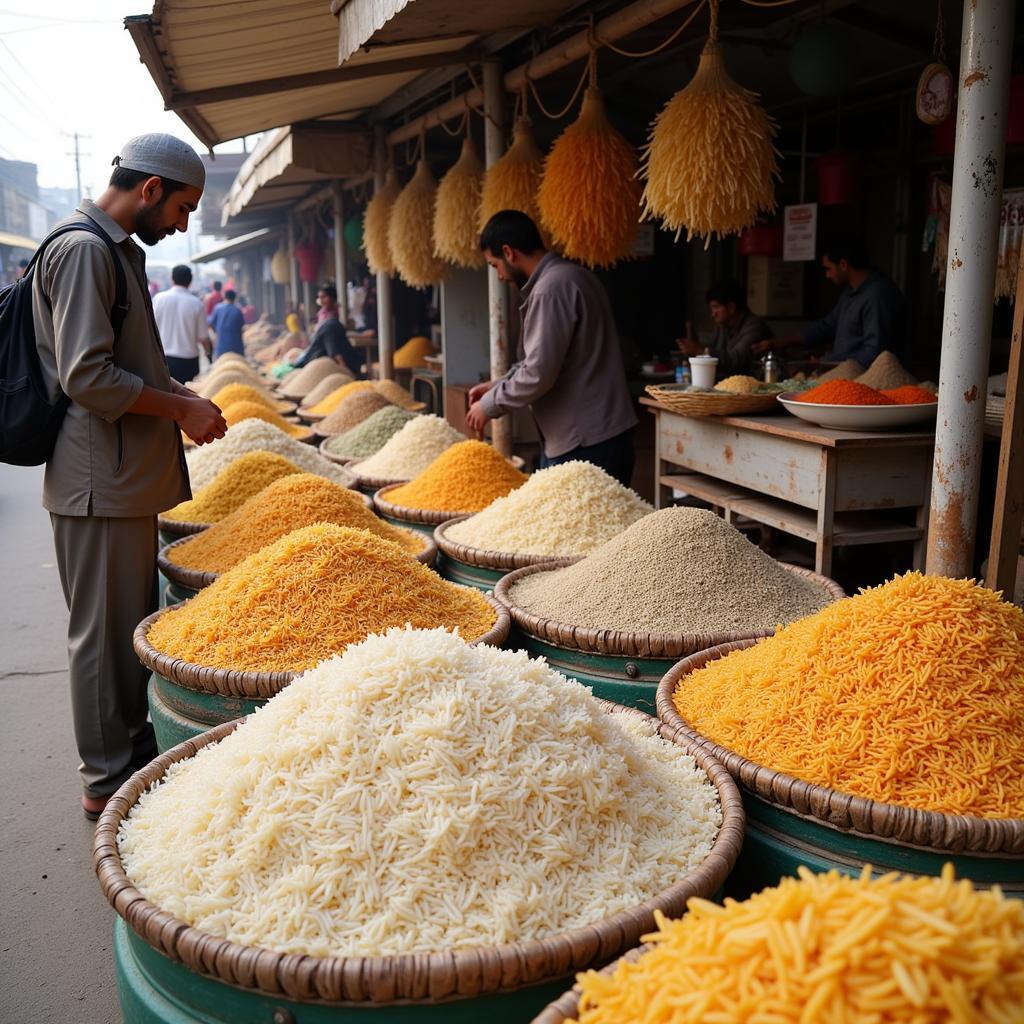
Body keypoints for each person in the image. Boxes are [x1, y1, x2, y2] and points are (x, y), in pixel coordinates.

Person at [31, 133, 227, 821]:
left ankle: (129, 749)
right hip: (98, 481)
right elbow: (88, 375)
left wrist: (184, 397)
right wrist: (177, 407)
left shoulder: (110, 250)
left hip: (118, 479)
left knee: (125, 628)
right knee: (102, 635)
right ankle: (105, 775)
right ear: (150, 189)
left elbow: (133, 363)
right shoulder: (86, 250)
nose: (182, 223)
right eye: (181, 207)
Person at [466, 210, 637, 487]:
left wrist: (489, 405)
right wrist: (497, 385)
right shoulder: (574, 276)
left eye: (494, 264)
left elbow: (538, 372)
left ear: (508, 252)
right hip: (593, 436)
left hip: (585, 442)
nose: (499, 276)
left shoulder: (551, 289)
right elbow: (543, 360)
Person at [753, 234, 905, 368]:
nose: (827, 275)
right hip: (845, 373)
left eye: (828, 268)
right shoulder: (850, 291)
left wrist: (828, 362)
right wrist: (781, 342)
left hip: (865, 382)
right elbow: (827, 325)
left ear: (843, 265)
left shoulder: (877, 295)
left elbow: (874, 352)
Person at [676, 280, 771, 378]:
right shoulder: (722, 326)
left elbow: (737, 360)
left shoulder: (754, 326)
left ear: (731, 307)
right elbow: (714, 350)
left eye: (716, 307)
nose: (713, 314)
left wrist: (701, 351)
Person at [152, 263, 210, 382]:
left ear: (172, 278)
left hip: (163, 359)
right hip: (188, 361)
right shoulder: (196, 304)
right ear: (190, 281)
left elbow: (150, 328)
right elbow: (203, 337)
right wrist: (208, 354)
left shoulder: (159, 299)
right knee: (185, 396)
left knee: (165, 396)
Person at [291, 285, 362, 378]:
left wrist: (342, 366)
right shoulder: (322, 313)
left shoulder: (336, 316)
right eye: (320, 297)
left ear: (332, 298)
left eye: (324, 297)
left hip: (329, 347)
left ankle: (345, 368)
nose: (322, 300)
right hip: (322, 349)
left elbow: (333, 344)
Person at [208, 288, 245, 358]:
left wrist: (215, 333)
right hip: (236, 348)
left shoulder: (218, 308)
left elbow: (210, 323)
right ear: (234, 298)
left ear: (225, 297)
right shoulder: (237, 310)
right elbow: (241, 328)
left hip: (221, 347)